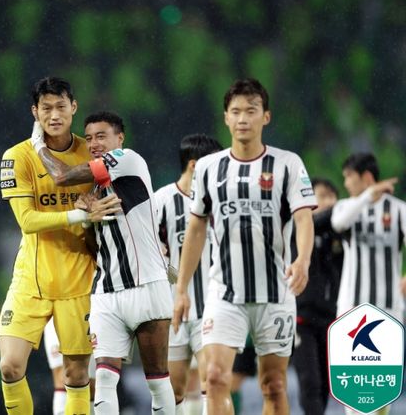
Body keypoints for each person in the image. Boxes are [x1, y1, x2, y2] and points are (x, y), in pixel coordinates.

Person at [173, 78, 317, 415]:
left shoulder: (288, 164)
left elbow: (303, 218)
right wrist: (181, 289)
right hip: (224, 294)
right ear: (226, 117)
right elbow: (196, 228)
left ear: (265, 116)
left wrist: (303, 260)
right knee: (214, 377)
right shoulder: (208, 167)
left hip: (275, 293)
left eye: (251, 111)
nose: (242, 119)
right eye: (235, 111)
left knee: (274, 385)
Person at [31, 110, 176, 414]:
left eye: (101, 136)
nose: (94, 143)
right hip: (106, 293)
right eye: (89, 138)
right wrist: (87, 217)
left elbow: (61, 176)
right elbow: (94, 247)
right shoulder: (94, 190)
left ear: (119, 138)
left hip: (147, 284)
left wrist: (39, 147)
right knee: (104, 379)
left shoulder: (127, 159)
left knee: (157, 379)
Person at [0, 77, 116, 415]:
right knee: (10, 366)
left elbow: (110, 208)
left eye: (61, 107)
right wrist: (79, 215)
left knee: (77, 376)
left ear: (73, 108)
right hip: (31, 280)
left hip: (79, 279)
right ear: (35, 112)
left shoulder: (91, 154)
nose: (54, 115)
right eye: (46, 108)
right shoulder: (17, 157)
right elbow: (27, 221)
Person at [154, 134, 223, 414]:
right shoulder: (161, 201)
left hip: (213, 308)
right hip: (172, 311)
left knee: (214, 383)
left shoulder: (220, 201)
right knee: (173, 390)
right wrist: (177, 278)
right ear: (195, 166)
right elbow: (154, 257)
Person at [331, 153, 406, 323]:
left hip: (389, 308)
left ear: (366, 176)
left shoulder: (400, 210)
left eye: (349, 176)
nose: (346, 183)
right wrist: (368, 195)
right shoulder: (344, 206)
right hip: (350, 306)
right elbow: (338, 223)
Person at [291, 178, 343, 415]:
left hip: (333, 317)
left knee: (326, 384)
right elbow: (314, 222)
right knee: (309, 381)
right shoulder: (298, 227)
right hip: (303, 317)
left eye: (331, 196)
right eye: (321, 196)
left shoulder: (340, 232)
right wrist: (343, 207)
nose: (327, 202)